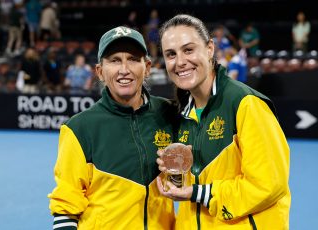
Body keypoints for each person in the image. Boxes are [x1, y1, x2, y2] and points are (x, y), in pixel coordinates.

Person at [156, 14, 291, 229]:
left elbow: (268, 185)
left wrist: (198, 192)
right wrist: (172, 170)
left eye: (188, 50)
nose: (180, 62)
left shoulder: (246, 103)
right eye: (170, 54)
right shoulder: (182, 114)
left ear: (210, 48)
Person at [48, 26, 177, 229]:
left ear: (148, 67)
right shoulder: (79, 128)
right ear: (100, 71)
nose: (124, 70)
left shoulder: (169, 113)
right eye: (115, 60)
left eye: (133, 59)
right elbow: (65, 206)